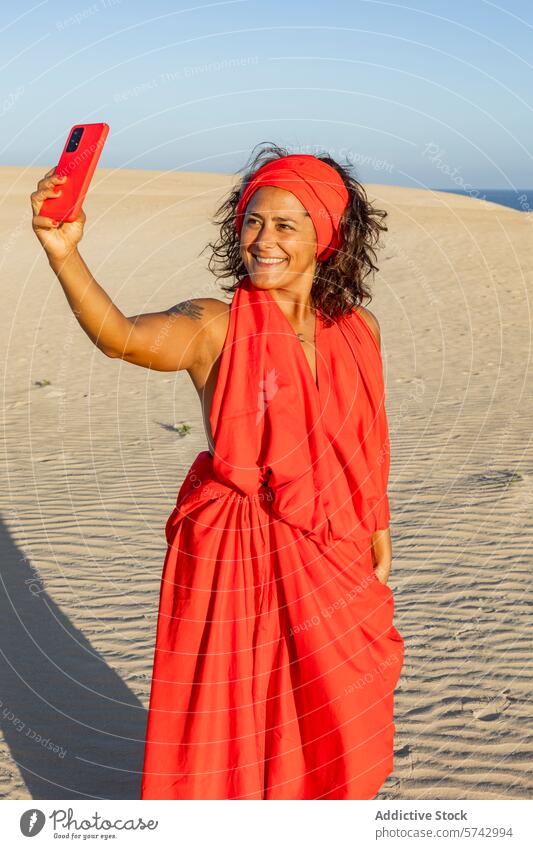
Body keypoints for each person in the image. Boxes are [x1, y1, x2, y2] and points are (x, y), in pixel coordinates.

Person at [31, 143, 404, 800]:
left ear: (326, 236)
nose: (262, 240)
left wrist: (377, 527)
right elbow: (121, 336)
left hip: (332, 555)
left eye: (285, 225)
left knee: (342, 723)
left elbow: (365, 438)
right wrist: (65, 253)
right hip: (236, 556)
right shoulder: (215, 325)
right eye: (252, 221)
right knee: (231, 725)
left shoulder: (359, 329)